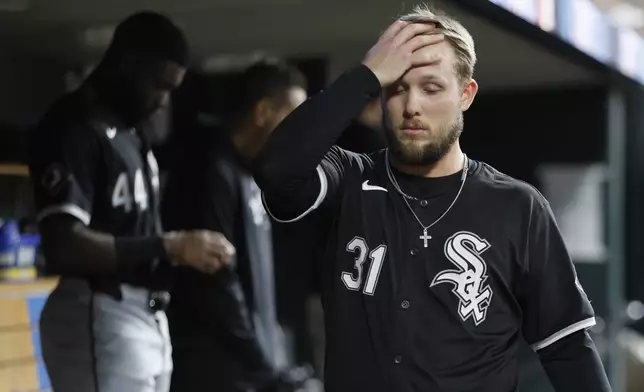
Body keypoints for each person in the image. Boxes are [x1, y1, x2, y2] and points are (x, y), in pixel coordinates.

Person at [251, 5, 612, 392]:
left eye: (432, 88)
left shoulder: (518, 207)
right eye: (397, 88)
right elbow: (276, 170)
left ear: (466, 94)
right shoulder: (348, 179)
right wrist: (366, 75)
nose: (412, 107)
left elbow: (567, 347)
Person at [29, 11, 234, 392]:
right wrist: (169, 245)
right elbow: (63, 244)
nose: (162, 100)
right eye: (159, 85)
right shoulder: (73, 126)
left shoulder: (132, 131)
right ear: (127, 64)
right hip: (100, 309)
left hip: (145, 315)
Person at [162, 59, 313, 392]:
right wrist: (262, 363)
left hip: (246, 366)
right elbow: (215, 285)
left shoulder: (252, 173)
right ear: (262, 113)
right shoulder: (209, 169)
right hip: (211, 368)